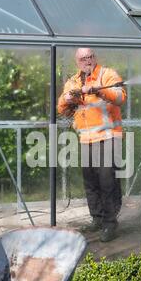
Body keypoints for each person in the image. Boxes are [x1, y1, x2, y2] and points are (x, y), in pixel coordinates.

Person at [58, 48, 126, 242]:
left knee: (107, 182)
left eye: (90, 57)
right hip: (86, 139)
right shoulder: (73, 81)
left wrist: (99, 91)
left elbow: (121, 97)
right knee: (90, 183)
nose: (87, 61)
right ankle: (96, 219)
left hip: (108, 136)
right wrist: (67, 99)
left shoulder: (107, 74)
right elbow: (62, 109)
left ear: (95, 58)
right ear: (77, 61)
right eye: (83, 58)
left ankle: (110, 224)